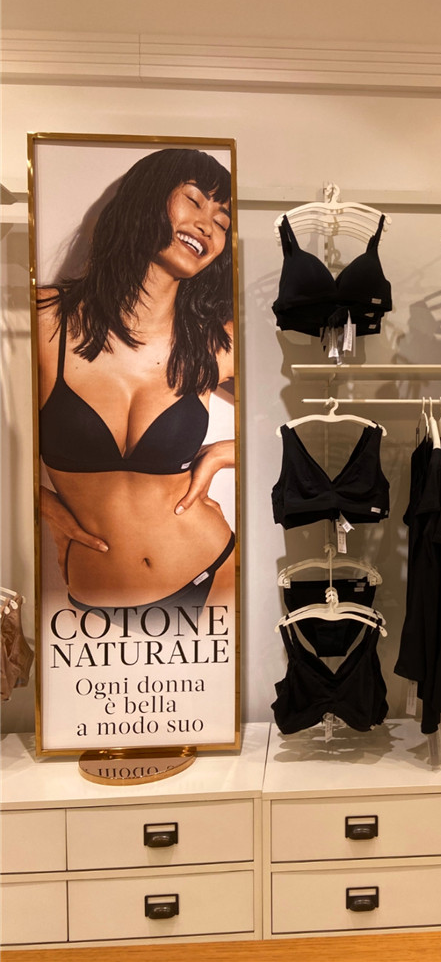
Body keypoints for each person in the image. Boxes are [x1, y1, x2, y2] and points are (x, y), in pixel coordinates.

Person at [36, 148, 236, 620]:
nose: (208, 226)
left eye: (222, 221)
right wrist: (39, 503)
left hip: (213, 572)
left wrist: (225, 454)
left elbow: (309, 425)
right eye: (194, 200)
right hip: (96, 602)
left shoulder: (215, 342)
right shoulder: (46, 319)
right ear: (146, 198)